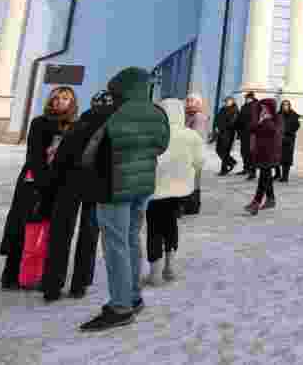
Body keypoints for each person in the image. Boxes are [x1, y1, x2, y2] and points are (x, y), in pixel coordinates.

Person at [79, 67, 170, 332]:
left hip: (113, 185)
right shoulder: (157, 112)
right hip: (142, 185)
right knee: (130, 238)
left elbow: (89, 150)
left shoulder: (112, 113)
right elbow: (161, 145)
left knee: (115, 244)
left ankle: (120, 307)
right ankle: (132, 296)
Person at [0, 86, 78, 290]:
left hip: (60, 184)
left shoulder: (74, 126)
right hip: (33, 182)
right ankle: (11, 275)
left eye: (65, 98)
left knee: (49, 231)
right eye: (56, 97)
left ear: (72, 102)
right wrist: (44, 181)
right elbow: (34, 155)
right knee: (23, 226)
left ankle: (41, 273)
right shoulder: (40, 123)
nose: (60, 101)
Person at [41, 90, 111, 302]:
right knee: (89, 235)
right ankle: (80, 284)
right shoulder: (112, 128)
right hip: (95, 186)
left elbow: (61, 157)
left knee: (61, 233)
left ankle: (52, 284)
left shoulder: (78, 124)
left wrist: (51, 184)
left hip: (68, 183)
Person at [145, 98, 204, 285]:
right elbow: (200, 161)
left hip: (155, 189)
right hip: (180, 189)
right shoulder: (191, 135)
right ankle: (170, 266)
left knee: (154, 228)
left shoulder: (153, 133)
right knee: (171, 225)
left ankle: (155, 273)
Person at [246, 98, 282, 215]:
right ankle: (271, 199)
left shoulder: (276, 119)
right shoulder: (262, 119)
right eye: (262, 108)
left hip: (270, 154)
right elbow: (252, 129)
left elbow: (274, 131)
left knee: (263, 177)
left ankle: (256, 202)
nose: (263, 110)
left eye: (265, 108)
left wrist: (265, 121)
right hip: (262, 153)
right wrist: (259, 119)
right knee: (265, 176)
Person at [212, 97, 239, 176]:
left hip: (228, 133)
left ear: (232, 102)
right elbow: (217, 118)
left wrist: (220, 127)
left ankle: (224, 169)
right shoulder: (223, 109)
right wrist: (216, 127)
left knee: (224, 151)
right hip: (221, 133)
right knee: (218, 150)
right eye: (225, 101)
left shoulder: (235, 110)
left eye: (228, 101)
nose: (226, 102)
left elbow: (231, 123)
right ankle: (231, 162)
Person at [235, 92, 259, 179]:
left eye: (249, 98)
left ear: (252, 98)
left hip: (252, 133)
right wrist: (238, 128)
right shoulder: (244, 107)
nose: (247, 99)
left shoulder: (256, 106)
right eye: (246, 98)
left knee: (251, 152)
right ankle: (246, 168)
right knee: (244, 152)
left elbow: (256, 120)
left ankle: (252, 172)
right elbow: (240, 118)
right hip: (243, 132)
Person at [276, 99, 300, 182]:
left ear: (289, 106)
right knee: (278, 157)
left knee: (287, 158)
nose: (285, 106)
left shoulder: (293, 115)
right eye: (284, 105)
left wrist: (288, 131)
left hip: (289, 139)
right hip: (279, 139)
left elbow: (296, 126)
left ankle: (285, 177)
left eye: (287, 105)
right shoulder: (278, 114)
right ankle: (277, 174)